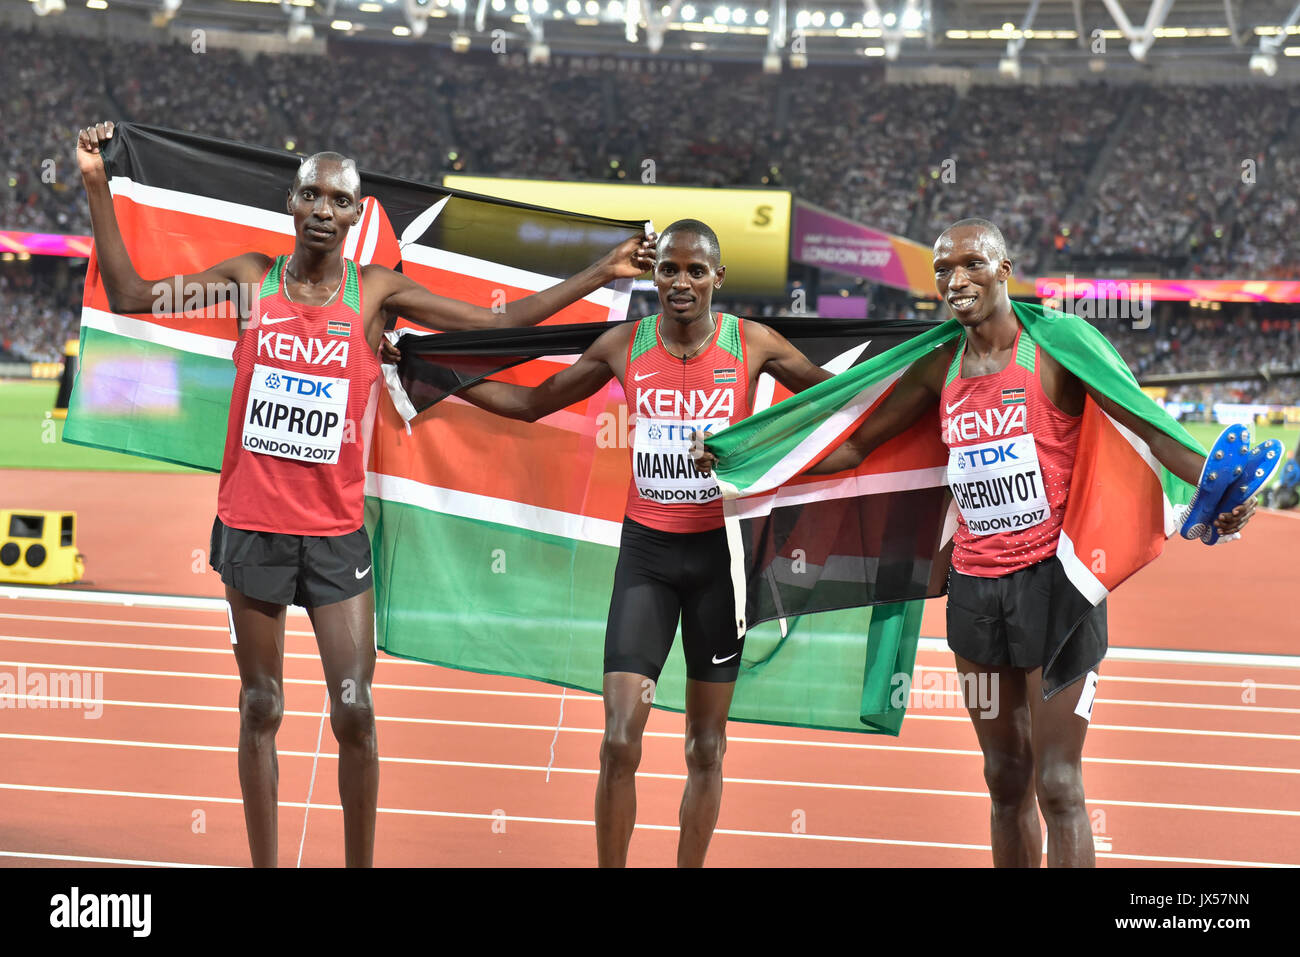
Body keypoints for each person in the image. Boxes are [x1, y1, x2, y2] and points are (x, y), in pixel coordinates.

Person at [75, 120, 655, 867]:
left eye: (337, 198)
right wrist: (96, 182)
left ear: (356, 214)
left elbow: (500, 321)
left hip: (334, 533)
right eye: (310, 193)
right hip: (251, 525)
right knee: (261, 705)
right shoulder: (252, 281)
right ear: (291, 204)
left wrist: (601, 272)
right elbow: (130, 295)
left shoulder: (376, 293)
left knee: (356, 712)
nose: (321, 207)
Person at [696, 218, 1256, 867]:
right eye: (943, 268)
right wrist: (742, 461)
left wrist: (1219, 488)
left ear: (1005, 268)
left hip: (1058, 589)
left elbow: (1150, 429)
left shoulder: (1057, 346)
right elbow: (854, 443)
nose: (956, 279)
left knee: (1059, 783)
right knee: (1004, 780)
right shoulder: (940, 365)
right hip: (975, 593)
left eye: (971, 264)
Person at [450, 219, 831, 866]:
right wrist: (438, 378)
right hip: (647, 561)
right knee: (620, 740)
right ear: (654, 277)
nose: (680, 282)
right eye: (668, 270)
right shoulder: (626, 344)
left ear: (718, 278)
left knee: (705, 746)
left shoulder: (755, 343)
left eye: (694, 271)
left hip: (720, 563)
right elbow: (533, 403)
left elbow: (836, 403)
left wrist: (923, 388)